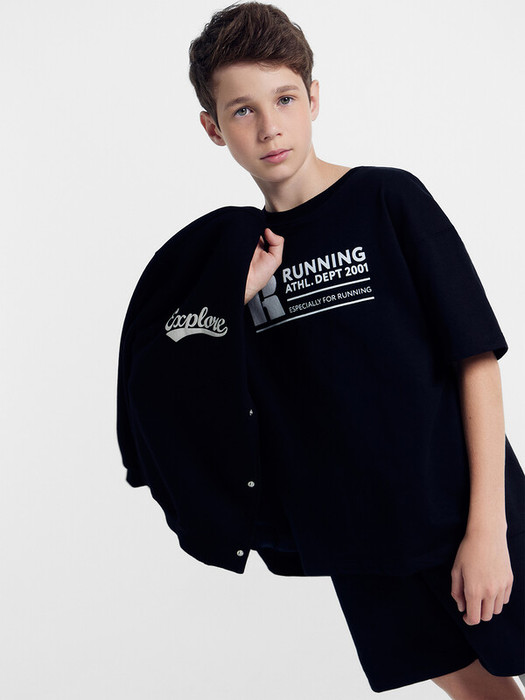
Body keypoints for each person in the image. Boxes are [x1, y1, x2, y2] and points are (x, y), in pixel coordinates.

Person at [117, 2, 525, 696]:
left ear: (313, 98)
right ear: (213, 129)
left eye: (283, 99)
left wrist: (490, 529)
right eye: (242, 110)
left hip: (468, 511)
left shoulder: (388, 199)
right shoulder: (234, 260)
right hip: (361, 540)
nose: (269, 126)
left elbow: (475, 358)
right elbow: (172, 393)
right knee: (481, 694)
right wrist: (232, 298)